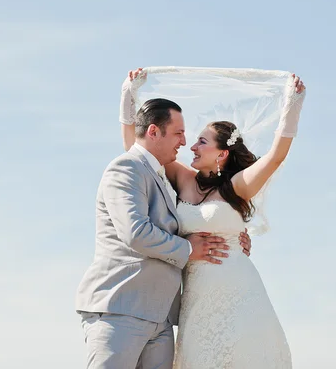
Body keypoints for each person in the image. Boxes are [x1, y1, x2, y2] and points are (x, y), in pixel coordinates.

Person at [121, 67, 306, 368]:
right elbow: (135, 149)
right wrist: (127, 98)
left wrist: (292, 106)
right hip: (197, 298)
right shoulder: (183, 178)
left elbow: (275, 157)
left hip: (239, 293)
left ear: (221, 154)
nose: (191, 146)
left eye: (202, 142)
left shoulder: (238, 186)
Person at [75, 92, 252, 369]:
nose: (184, 141)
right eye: (179, 133)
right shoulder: (126, 168)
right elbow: (136, 232)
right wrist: (189, 249)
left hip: (162, 319)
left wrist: (229, 237)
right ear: (154, 132)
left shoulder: (163, 178)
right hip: (121, 309)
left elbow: (180, 226)